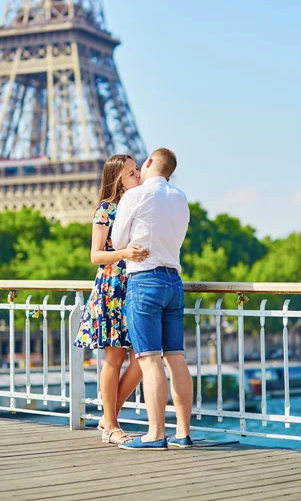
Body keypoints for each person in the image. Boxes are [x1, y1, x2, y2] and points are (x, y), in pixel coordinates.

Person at [112, 148, 193, 450]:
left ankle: (155, 433)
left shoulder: (134, 196)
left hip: (145, 280)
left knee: (149, 361)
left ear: (147, 164)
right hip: (174, 280)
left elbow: (119, 241)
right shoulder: (180, 197)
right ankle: (183, 433)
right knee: (176, 357)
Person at [74, 154, 149, 445]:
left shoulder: (137, 205)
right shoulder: (107, 209)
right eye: (132, 174)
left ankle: (108, 418)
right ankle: (111, 425)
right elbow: (95, 255)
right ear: (117, 179)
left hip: (135, 285)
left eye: (137, 172)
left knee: (143, 359)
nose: (138, 177)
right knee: (114, 357)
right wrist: (125, 253)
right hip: (112, 288)